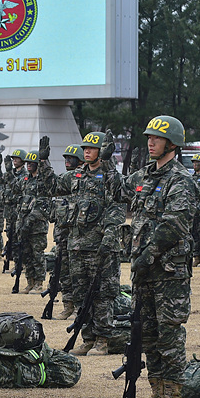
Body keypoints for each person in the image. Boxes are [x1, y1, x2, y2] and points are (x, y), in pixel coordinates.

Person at [126, 116, 195, 398]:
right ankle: (156, 392)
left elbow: (174, 225)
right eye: (149, 137)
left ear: (172, 143)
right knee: (148, 333)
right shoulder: (144, 177)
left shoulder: (180, 180)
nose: (151, 142)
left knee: (169, 332)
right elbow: (117, 190)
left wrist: (148, 254)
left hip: (168, 270)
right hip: (144, 270)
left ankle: (174, 395)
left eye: (156, 138)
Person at [53, 131, 124, 356]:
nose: (86, 151)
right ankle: (88, 337)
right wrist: (42, 163)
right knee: (82, 292)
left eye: (92, 148)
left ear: (102, 151)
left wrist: (110, 239)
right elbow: (49, 186)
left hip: (101, 247)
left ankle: (103, 339)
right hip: (77, 246)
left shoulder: (110, 176)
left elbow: (117, 206)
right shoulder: (76, 176)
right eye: (85, 148)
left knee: (103, 293)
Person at [49, 144, 85, 319]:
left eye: (71, 158)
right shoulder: (64, 180)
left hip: (77, 237)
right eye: (65, 158)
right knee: (63, 273)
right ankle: (67, 305)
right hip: (62, 236)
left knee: (78, 275)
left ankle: (79, 307)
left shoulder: (80, 179)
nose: (67, 161)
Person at [15, 149, 51, 293]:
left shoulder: (42, 181)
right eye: (27, 162)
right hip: (23, 224)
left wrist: (30, 220)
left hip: (37, 226)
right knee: (26, 254)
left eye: (32, 163)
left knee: (38, 255)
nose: (29, 165)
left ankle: (39, 283)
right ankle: (29, 281)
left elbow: (43, 204)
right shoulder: (26, 180)